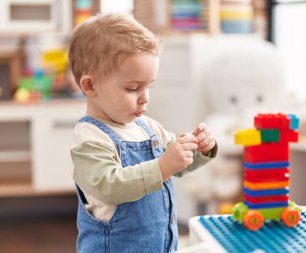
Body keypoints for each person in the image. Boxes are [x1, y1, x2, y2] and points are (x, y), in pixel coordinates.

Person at [68, 13, 217, 253]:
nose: (145, 97)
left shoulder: (148, 127)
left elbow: (176, 163)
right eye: (132, 88)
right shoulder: (89, 138)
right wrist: (162, 167)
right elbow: (110, 186)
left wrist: (198, 149)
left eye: (149, 86)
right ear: (90, 85)